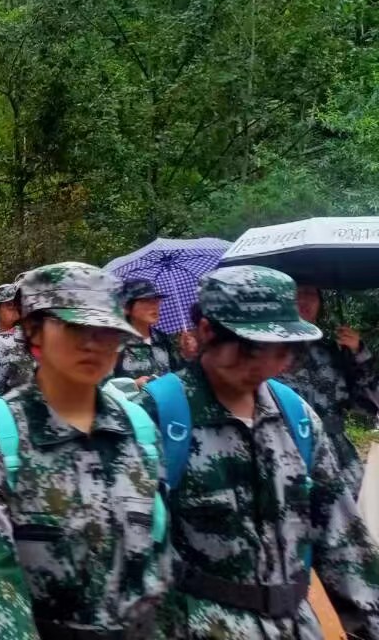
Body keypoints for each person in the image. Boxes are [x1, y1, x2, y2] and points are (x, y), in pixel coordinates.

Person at [139, 266, 379, 639]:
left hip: (296, 625)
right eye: (252, 347)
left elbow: (342, 537)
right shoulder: (157, 417)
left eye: (283, 349)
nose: (269, 364)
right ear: (207, 332)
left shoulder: (296, 417)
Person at [0, 262, 170, 640]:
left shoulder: (139, 430)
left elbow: (158, 566)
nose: (93, 344)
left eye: (106, 331)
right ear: (33, 330)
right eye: (75, 328)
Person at [275, 282, 379, 498]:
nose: (304, 299)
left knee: (350, 515)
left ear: (321, 303)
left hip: (338, 458)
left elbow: (370, 403)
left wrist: (358, 352)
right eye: (296, 293)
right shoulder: (268, 354)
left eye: (311, 293)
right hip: (286, 454)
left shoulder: (333, 352)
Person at [112, 278, 178, 385]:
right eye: (146, 301)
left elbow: (179, 375)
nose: (154, 306)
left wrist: (187, 355)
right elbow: (102, 386)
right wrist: (133, 385)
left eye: (156, 301)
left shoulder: (164, 339)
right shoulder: (114, 343)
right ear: (127, 308)